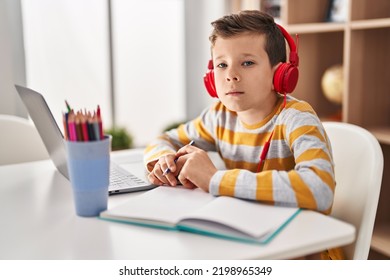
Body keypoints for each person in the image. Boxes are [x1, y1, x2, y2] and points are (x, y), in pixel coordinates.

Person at [144, 10, 340, 259]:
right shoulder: (218, 117)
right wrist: (164, 159)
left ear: (280, 74)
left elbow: (320, 189)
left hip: (303, 253)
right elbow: (164, 139)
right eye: (221, 64)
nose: (231, 75)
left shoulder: (296, 118)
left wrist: (215, 179)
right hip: (246, 243)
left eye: (247, 62)